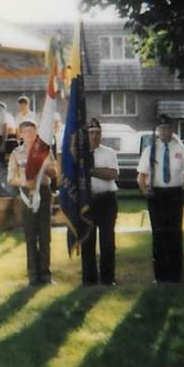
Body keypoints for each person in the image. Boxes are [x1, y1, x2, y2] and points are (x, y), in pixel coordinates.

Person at [137, 114, 184, 283]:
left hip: (175, 194)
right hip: (156, 195)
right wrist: (144, 190)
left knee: (175, 234)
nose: (164, 131)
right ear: (157, 131)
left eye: (167, 128)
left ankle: (174, 275)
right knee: (158, 234)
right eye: (161, 128)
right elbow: (141, 177)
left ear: (173, 130)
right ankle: (160, 275)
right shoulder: (150, 150)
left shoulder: (181, 151)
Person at [7, 118, 57, 286]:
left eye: (32, 131)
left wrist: (45, 166)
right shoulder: (16, 153)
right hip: (26, 194)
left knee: (44, 235)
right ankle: (33, 276)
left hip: (43, 192)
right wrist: (23, 182)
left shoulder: (44, 151)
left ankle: (46, 275)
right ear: (20, 134)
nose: (29, 134)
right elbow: (10, 178)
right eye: (25, 131)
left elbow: (54, 173)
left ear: (36, 133)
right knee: (30, 235)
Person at [81, 118, 119, 286]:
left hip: (106, 200)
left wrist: (90, 171)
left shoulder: (109, 152)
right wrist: (98, 172)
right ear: (86, 134)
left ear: (101, 134)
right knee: (87, 241)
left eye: (97, 133)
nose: (94, 136)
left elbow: (112, 174)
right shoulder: (80, 154)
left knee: (107, 240)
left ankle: (108, 278)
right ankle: (89, 279)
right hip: (87, 201)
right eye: (90, 133)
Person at [0, 100, 16, 165]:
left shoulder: (3, 115)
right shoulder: (4, 115)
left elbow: (5, 128)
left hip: (2, 138)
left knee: (0, 159)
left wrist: (3, 142)